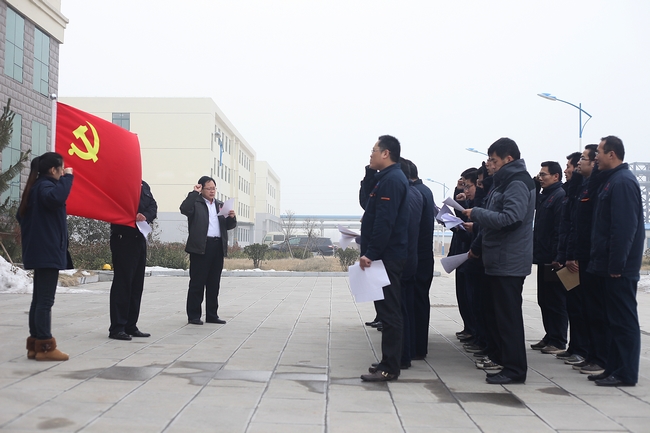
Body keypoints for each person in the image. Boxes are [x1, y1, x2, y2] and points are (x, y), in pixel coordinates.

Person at [464, 138, 535, 385]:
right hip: (499, 258)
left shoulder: (517, 182)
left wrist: (478, 213)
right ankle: (504, 361)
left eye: (493, 160)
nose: (489, 165)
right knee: (499, 316)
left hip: (509, 260)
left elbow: (511, 218)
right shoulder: (504, 182)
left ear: (508, 159)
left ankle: (515, 369)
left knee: (508, 318)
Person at [586, 136, 644, 387]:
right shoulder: (611, 180)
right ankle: (613, 368)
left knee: (623, 321)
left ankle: (625, 373)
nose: (595, 157)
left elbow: (624, 228)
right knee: (613, 321)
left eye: (599, 152)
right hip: (608, 265)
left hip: (619, 268)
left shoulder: (622, 182)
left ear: (612, 154)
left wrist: (617, 265)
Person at [358, 135, 409, 382]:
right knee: (385, 310)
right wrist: (370, 172)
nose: (371, 155)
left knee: (390, 313)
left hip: (387, 257)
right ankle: (387, 361)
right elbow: (367, 204)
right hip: (385, 256)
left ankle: (390, 367)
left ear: (386, 153)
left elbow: (384, 222)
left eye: (374, 151)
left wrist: (371, 253)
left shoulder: (392, 181)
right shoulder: (385, 178)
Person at [17, 152, 73, 361]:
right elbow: (56, 198)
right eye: (62, 168)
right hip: (47, 251)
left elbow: (21, 216)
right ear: (53, 170)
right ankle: (45, 347)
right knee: (45, 301)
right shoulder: (46, 187)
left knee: (39, 299)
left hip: (40, 250)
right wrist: (68, 178)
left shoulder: (35, 187)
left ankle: (35, 345)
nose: (63, 171)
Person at [565, 144, 608, 375]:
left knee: (595, 311)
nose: (578, 164)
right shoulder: (582, 188)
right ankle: (588, 353)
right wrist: (570, 254)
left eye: (584, 159)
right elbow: (573, 226)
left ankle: (599, 357)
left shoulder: (603, 186)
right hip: (580, 256)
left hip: (592, 259)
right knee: (581, 308)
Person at [180, 176, 237, 325]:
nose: (212, 191)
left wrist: (231, 218)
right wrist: (194, 193)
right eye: (209, 188)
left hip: (217, 246)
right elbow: (184, 209)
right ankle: (194, 315)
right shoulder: (196, 203)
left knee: (214, 283)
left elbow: (228, 226)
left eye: (214, 188)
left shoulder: (220, 205)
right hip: (201, 247)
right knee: (197, 283)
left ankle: (212, 315)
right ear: (201, 188)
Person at [108, 181, 158, 340]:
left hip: (139, 238)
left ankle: (131, 325)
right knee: (123, 284)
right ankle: (117, 327)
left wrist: (145, 216)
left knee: (137, 285)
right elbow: (114, 207)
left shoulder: (144, 186)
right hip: (123, 238)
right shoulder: (120, 184)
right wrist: (133, 215)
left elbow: (153, 206)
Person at [530, 161, 567, 355]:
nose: (540, 177)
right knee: (544, 299)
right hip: (544, 257)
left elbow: (560, 229)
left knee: (555, 300)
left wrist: (558, 255)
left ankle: (558, 339)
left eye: (543, 174)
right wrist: (536, 185)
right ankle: (550, 335)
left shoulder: (559, 196)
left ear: (556, 176)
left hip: (554, 259)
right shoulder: (546, 196)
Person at [407, 160, 437, 360]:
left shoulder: (416, 193)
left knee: (416, 302)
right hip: (423, 254)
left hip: (418, 255)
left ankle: (416, 347)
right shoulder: (425, 190)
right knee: (420, 301)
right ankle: (418, 346)